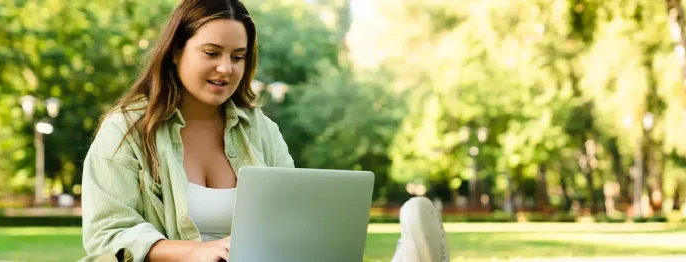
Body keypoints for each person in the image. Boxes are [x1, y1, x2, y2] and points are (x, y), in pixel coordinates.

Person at [78, 0, 449, 261]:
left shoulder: (260, 130)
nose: (226, 68)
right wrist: (196, 252)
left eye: (237, 57)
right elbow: (107, 233)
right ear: (176, 51)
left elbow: (290, 216)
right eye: (211, 53)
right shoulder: (127, 129)